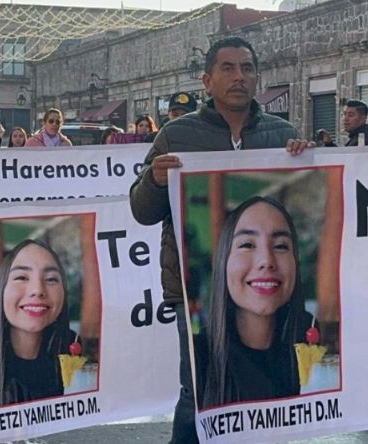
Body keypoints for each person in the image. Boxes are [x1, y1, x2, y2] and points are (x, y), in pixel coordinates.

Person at [129, 36, 312, 443]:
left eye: (247, 68)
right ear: (207, 81)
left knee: (272, 389)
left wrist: (308, 162)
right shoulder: (177, 135)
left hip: (264, 290)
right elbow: (142, 210)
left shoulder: (283, 134)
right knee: (199, 389)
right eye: (228, 68)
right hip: (194, 291)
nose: (239, 77)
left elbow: (299, 213)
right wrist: (156, 181)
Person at [198, 197, 312, 409]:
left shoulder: (320, 351)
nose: (266, 260)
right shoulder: (197, 358)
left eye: (280, 246)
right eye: (247, 244)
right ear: (224, 261)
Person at [0, 239, 79, 410]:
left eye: (51, 279)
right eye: (21, 277)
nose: (37, 290)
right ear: (1, 290)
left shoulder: (79, 359)